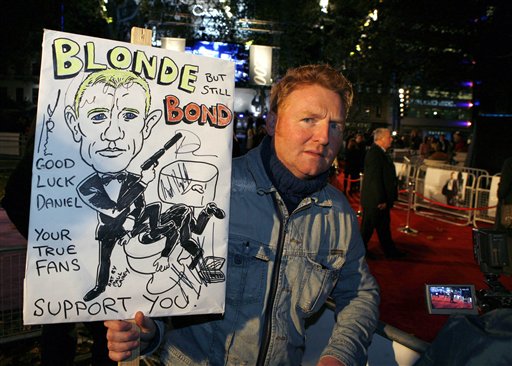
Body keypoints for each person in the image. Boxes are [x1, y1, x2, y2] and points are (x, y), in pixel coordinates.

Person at [104, 64, 380, 366]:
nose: (324, 137)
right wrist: (145, 332)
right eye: (308, 120)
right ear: (273, 123)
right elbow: (160, 280)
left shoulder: (339, 215)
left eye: (336, 125)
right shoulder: (212, 189)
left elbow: (360, 293)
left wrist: (340, 355)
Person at [1, 117, 114, 365]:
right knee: (62, 331)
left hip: (88, 262)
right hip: (60, 265)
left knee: (101, 333)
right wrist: (44, 238)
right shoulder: (45, 156)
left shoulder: (101, 155)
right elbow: (13, 199)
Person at [360, 128, 405, 259]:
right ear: (380, 139)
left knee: (383, 228)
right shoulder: (375, 153)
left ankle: (390, 252)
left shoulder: (381, 153)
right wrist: (380, 200)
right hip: (375, 201)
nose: (391, 139)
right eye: (389, 137)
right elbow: (374, 179)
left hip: (379, 200)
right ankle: (359, 252)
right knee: (367, 229)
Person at [496, 156, 512, 230]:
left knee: (505, 234)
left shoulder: (509, 163)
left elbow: (504, 186)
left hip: (509, 205)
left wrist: (500, 195)